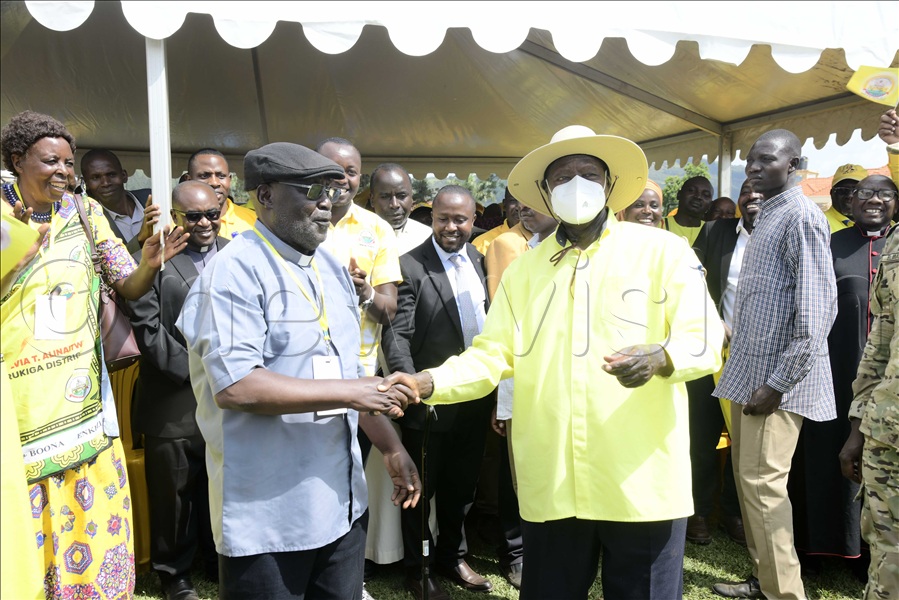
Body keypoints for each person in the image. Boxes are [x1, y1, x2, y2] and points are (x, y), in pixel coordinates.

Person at [385, 125, 724, 600]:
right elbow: (492, 353)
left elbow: (706, 336)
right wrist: (428, 381)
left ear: (609, 185)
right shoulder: (526, 269)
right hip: (554, 478)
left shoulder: (662, 251)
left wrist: (664, 357)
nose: (577, 185)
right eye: (562, 177)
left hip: (640, 475)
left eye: (589, 173)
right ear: (545, 192)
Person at [176, 141, 421, 599]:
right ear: (264, 195)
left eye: (334, 188)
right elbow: (236, 385)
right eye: (312, 190)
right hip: (268, 513)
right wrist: (352, 393)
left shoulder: (330, 268)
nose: (327, 202)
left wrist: (389, 448)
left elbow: (347, 374)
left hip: (340, 503)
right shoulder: (231, 272)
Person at [1, 110, 187, 598]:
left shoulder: (86, 214)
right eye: (50, 161)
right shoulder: (0, 215)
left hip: (80, 393)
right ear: (18, 160)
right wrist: (14, 251)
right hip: (18, 396)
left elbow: (125, 283)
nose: (63, 170)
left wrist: (148, 262)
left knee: (89, 494)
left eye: (68, 161)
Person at [712, 129, 837, 600]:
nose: (755, 167)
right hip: (749, 374)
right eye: (750, 159)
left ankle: (786, 594)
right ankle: (766, 583)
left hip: (778, 382)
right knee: (751, 489)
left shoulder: (802, 216)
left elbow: (818, 310)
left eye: (767, 159)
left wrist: (779, 382)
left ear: (794, 164)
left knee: (764, 490)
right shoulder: (766, 215)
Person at [381, 185, 495, 600]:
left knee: (462, 488)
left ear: (472, 221)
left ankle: (452, 556)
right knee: (419, 491)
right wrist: (410, 387)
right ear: (432, 218)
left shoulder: (483, 262)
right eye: (443, 218)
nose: (451, 227)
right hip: (426, 402)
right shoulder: (409, 266)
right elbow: (397, 337)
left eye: (460, 219)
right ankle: (419, 569)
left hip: (475, 399)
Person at [790, 174, 896, 576]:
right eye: (865, 193)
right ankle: (823, 549)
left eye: (885, 193)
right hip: (832, 379)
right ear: (850, 203)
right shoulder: (830, 246)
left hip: (888, 384)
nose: (873, 199)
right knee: (825, 463)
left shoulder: (898, 247)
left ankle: (874, 557)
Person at [128, 181, 228, 600]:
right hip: (174, 394)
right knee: (174, 490)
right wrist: (199, 371)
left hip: (229, 394)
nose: (204, 223)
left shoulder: (239, 252)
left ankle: (214, 558)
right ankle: (173, 575)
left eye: (211, 214)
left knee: (219, 482)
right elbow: (146, 327)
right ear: (173, 215)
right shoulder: (151, 260)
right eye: (193, 216)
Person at [316, 139, 403, 593]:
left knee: (351, 478)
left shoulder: (375, 229)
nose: (341, 180)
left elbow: (390, 307)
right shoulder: (294, 221)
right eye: (332, 170)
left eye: (350, 171)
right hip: (299, 378)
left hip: (359, 379)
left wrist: (365, 291)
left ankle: (350, 578)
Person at [482, 202, 558, 590]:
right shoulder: (510, 246)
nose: (526, 209)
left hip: (566, 392)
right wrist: (502, 395)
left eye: (536, 203)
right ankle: (516, 553)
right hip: (520, 379)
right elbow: (501, 331)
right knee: (519, 475)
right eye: (521, 203)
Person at [687, 181, 764, 547]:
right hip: (709, 355)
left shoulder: (782, 233)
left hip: (756, 360)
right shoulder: (716, 231)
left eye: (760, 189)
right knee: (701, 438)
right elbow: (690, 278)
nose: (752, 195)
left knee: (742, 442)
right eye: (746, 189)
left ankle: (734, 512)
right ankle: (699, 511)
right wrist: (711, 319)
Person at [80, 148, 153, 251]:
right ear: (86, 183)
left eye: (111, 174)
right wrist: (140, 239)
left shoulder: (151, 197)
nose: (105, 183)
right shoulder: (91, 221)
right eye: (96, 178)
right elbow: (108, 263)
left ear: (124, 176)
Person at [184, 148, 256, 239]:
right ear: (188, 180)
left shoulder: (254, 221)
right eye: (204, 176)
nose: (214, 182)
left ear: (230, 179)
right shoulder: (174, 223)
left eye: (221, 176)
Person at [369, 163, 431, 255]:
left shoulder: (428, 237)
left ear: (411, 198)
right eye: (385, 197)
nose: (394, 204)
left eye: (401, 196)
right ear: (372, 200)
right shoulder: (355, 234)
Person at [663, 175, 714, 245]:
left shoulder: (712, 232)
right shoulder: (659, 225)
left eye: (705, 195)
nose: (698, 196)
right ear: (679, 194)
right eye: (691, 190)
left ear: (710, 205)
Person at [472, 187, 521, 254]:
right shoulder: (483, 243)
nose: (519, 207)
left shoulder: (539, 240)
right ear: (504, 204)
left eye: (526, 201)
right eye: (513, 200)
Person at [824, 164, 868, 233]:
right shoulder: (821, 223)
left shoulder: (875, 226)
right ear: (832, 193)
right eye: (843, 190)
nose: (850, 195)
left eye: (856, 191)